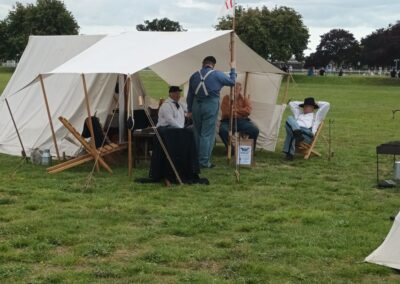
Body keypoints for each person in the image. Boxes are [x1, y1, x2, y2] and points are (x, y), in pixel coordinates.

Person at [187, 56, 236, 168]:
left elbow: (190, 95)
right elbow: (232, 82)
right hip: (210, 104)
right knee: (207, 134)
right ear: (213, 64)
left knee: (197, 133)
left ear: (203, 63)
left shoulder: (194, 76)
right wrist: (233, 69)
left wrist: (189, 109)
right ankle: (203, 162)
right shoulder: (217, 74)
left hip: (196, 105)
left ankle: (196, 159)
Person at [219, 82, 259, 152]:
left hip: (241, 121)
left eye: (236, 88)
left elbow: (248, 111)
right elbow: (226, 112)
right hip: (227, 120)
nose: (234, 90)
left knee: (254, 130)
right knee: (223, 131)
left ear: (240, 89)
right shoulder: (226, 98)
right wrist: (241, 112)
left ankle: (249, 151)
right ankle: (232, 149)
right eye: (233, 88)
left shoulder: (244, 98)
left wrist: (236, 110)